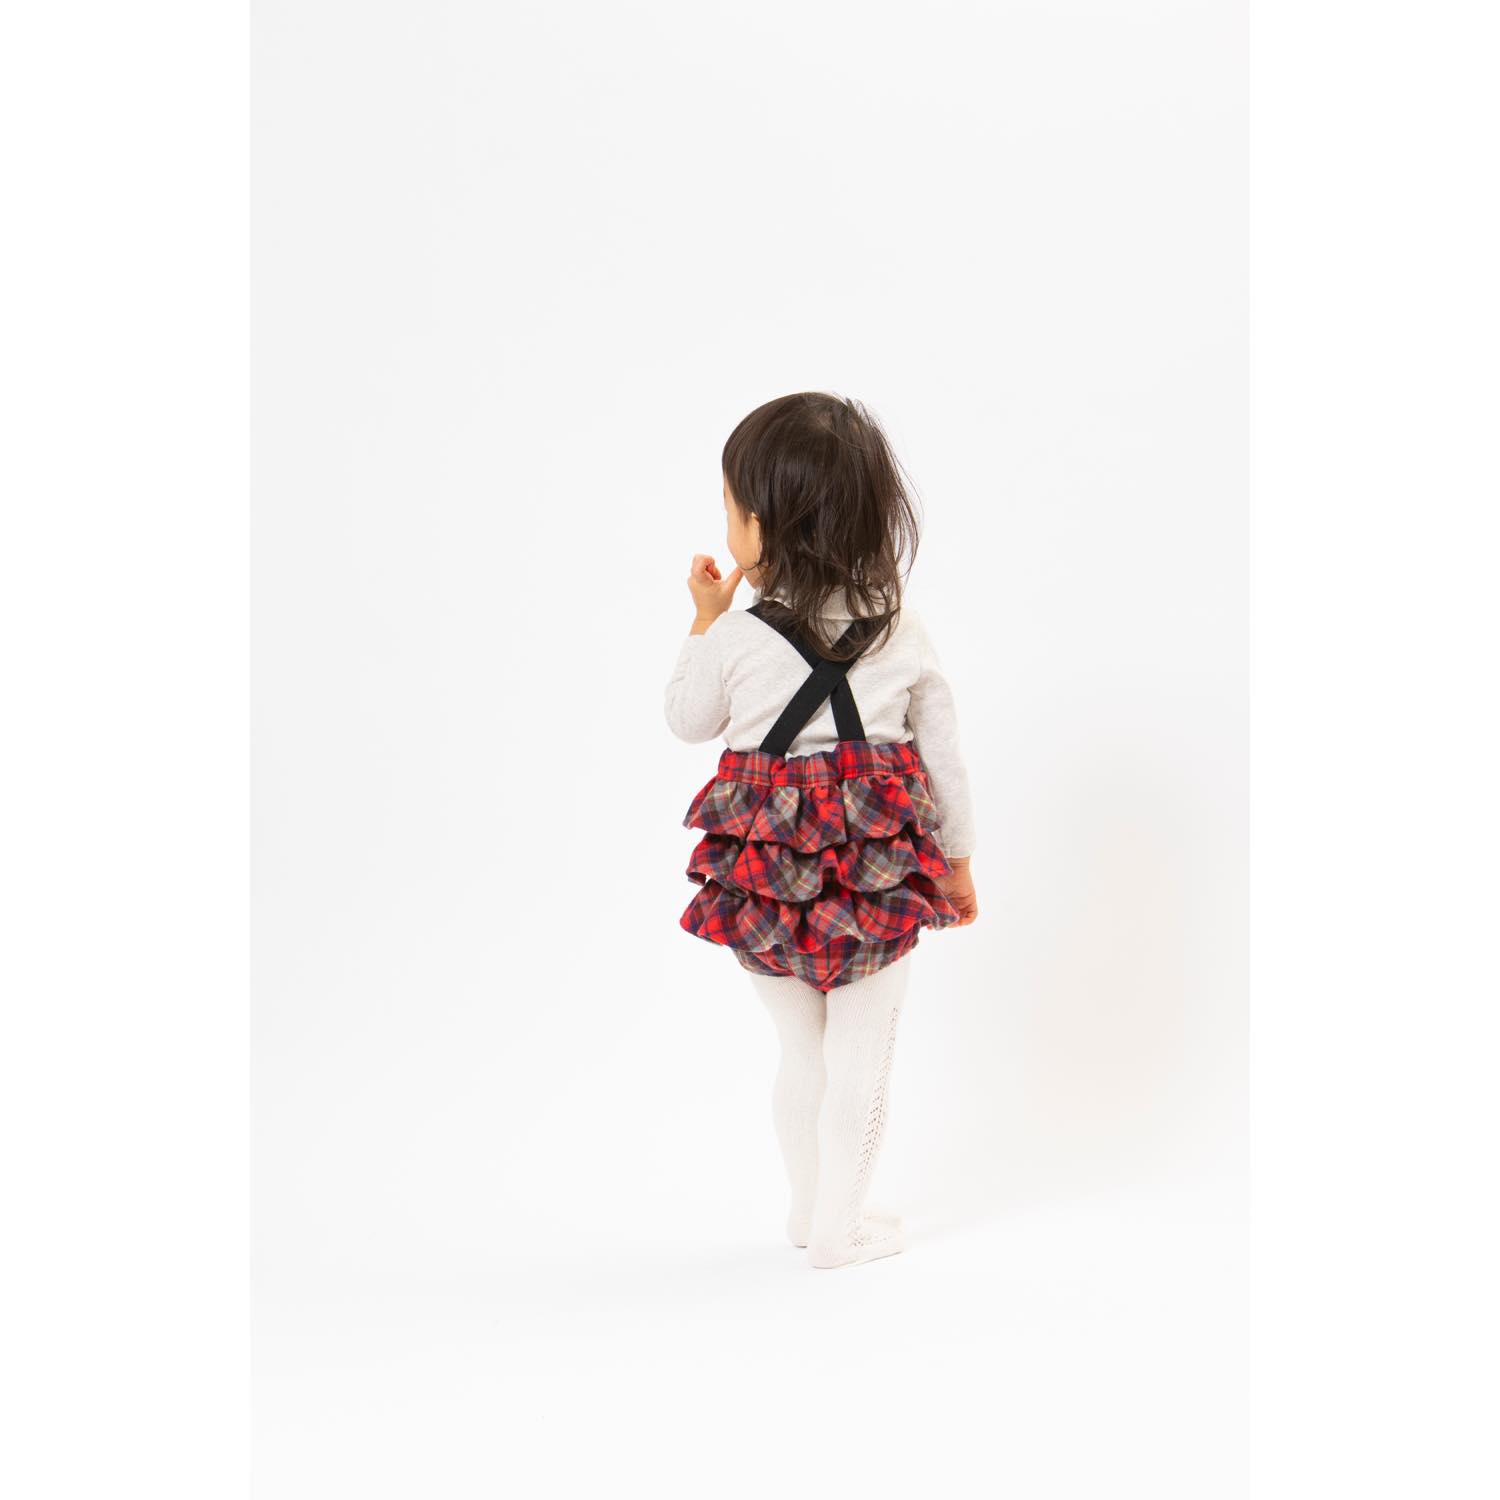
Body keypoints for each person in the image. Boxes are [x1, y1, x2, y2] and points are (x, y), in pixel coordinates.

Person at [664, 391, 980, 1270]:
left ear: (759, 528)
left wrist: (704, 618)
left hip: (764, 873)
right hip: (876, 870)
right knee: (862, 1055)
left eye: (730, 507)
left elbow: (686, 720)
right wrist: (956, 862)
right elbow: (945, 761)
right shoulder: (902, 630)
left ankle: (811, 1214)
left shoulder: (735, 638)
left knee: (801, 1052)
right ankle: (842, 1226)